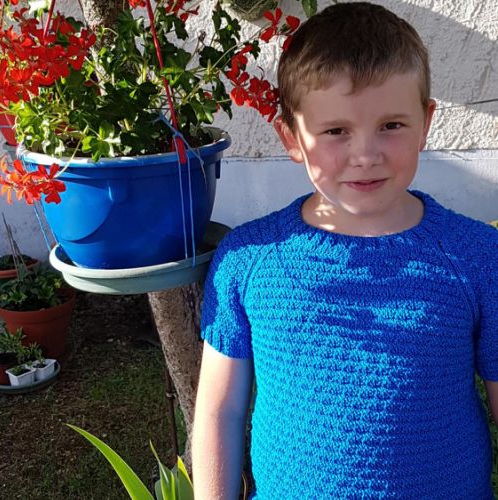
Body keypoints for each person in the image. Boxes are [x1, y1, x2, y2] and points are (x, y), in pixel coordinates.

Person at [191, 2, 498, 498]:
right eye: (336, 131)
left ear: (425, 122)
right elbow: (219, 411)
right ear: (291, 137)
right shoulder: (248, 260)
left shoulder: (479, 257)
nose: (366, 155)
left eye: (391, 125)